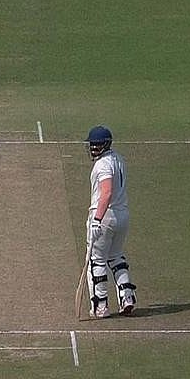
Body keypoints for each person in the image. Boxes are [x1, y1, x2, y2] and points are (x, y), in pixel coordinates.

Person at [85, 125, 137, 318]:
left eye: (97, 145)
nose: (93, 148)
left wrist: (97, 219)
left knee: (97, 260)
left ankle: (101, 305)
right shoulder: (119, 159)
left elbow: (106, 193)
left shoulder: (103, 165)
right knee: (116, 257)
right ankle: (127, 296)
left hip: (105, 216)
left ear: (106, 145)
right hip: (122, 216)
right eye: (92, 145)